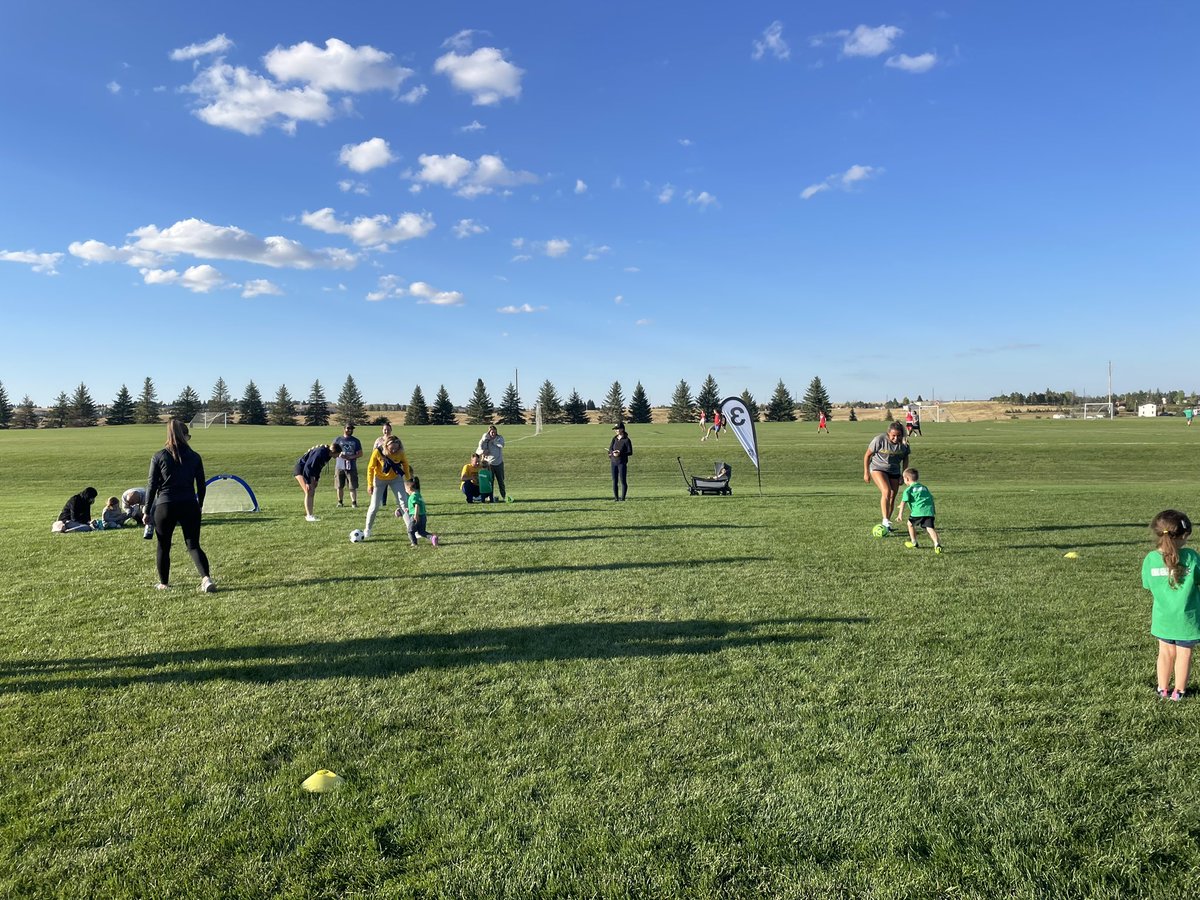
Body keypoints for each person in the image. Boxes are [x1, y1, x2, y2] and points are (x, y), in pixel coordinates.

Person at [144, 419, 214, 592]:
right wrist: (200, 504)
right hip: (189, 503)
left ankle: (164, 583)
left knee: (163, 546)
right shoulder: (195, 456)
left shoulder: (159, 456)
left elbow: (151, 485)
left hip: (165, 505)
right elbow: (202, 484)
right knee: (193, 545)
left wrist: (146, 510)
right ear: (185, 436)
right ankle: (206, 578)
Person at [1143, 510, 1200, 701]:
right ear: (1184, 535)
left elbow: (1147, 584)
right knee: (1184, 655)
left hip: (1163, 618)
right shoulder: (1191, 557)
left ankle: (1163, 689)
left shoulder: (1150, 559)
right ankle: (1179, 692)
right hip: (1187, 620)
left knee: (1165, 654)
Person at [863, 421, 911, 533]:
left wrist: (903, 474)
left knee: (892, 497)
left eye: (898, 435)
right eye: (893, 435)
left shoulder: (904, 444)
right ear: (888, 434)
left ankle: (887, 524)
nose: (896, 438)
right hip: (878, 468)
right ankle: (885, 520)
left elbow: (905, 459)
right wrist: (866, 472)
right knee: (886, 491)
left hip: (894, 470)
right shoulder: (879, 440)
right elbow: (867, 455)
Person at [363, 435, 411, 539]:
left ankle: (411, 530)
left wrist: (408, 479)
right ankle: (367, 529)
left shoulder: (401, 452)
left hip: (396, 478)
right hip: (379, 479)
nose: (394, 450)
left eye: (396, 448)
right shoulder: (377, 452)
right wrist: (370, 484)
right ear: (386, 446)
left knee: (403, 504)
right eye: (391, 448)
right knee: (374, 506)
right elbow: (370, 468)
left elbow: (406, 464)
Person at [898, 468, 943, 553]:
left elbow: (903, 501)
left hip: (917, 512)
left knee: (910, 524)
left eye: (904, 479)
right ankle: (937, 544)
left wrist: (900, 514)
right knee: (930, 528)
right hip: (928, 511)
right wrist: (933, 510)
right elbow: (930, 498)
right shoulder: (924, 488)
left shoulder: (908, 490)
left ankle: (914, 542)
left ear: (907, 479)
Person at [294, 442, 341, 522]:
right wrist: (308, 482)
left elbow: (318, 467)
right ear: (334, 452)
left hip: (309, 472)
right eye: (338, 454)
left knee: (311, 492)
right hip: (301, 470)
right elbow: (308, 467)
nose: (338, 456)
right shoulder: (320, 453)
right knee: (309, 491)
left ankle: (310, 514)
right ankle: (309, 516)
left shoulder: (328, 455)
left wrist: (316, 479)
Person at [333, 423, 363, 508]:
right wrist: (340, 455)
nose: (350, 430)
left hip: (351, 466)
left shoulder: (356, 441)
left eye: (351, 429)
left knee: (352, 486)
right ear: (344, 429)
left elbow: (360, 453)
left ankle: (354, 502)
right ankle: (340, 502)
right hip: (340, 466)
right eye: (348, 428)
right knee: (339, 485)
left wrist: (351, 457)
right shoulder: (338, 440)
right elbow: (332, 451)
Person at [477, 424, 509, 502]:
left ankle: (504, 496)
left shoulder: (499, 438)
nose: (493, 434)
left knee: (501, 481)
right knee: (490, 482)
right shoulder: (485, 440)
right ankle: (490, 497)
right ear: (489, 432)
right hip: (489, 465)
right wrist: (484, 451)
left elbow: (501, 445)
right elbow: (478, 449)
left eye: (494, 432)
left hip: (499, 463)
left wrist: (493, 441)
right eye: (491, 432)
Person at [405, 476, 438, 547]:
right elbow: (418, 505)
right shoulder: (418, 495)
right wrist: (409, 509)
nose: (405, 491)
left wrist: (415, 515)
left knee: (410, 531)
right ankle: (432, 537)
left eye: (406, 489)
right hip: (423, 516)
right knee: (421, 531)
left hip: (416, 516)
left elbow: (417, 505)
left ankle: (414, 543)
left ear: (409, 488)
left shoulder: (413, 496)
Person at [608, 422, 633, 501]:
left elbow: (630, 452)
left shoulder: (626, 440)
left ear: (622, 429)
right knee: (614, 480)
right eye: (615, 429)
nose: (616, 430)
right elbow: (610, 449)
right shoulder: (614, 439)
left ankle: (623, 498)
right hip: (613, 462)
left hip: (622, 462)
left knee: (622, 480)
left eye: (618, 429)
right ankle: (616, 498)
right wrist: (612, 453)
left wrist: (620, 453)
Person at [373, 422, 395, 505]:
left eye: (388, 429)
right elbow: (374, 452)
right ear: (382, 430)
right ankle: (383, 502)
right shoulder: (379, 440)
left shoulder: (395, 439)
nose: (386, 431)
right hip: (381, 465)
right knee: (383, 484)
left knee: (394, 483)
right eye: (385, 429)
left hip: (393, 464)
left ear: (391, 430)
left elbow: (400, 451)